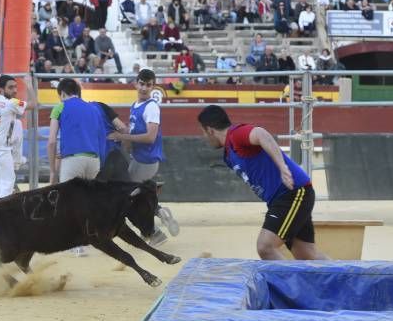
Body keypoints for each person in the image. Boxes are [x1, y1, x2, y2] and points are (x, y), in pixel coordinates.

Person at [197, 105, 329, 260]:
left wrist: (282, 167)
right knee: (306, 253)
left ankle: (291, 285)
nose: (203, 137)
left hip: (292, 193)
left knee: (265, 247)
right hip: (284, 197)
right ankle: (345, 279)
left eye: (203, 132)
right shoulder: (228, 154)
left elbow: (261, 134)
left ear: (210, 130)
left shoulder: (236, 135)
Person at [107, 68, 179, 245]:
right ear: (136, 83)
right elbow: (136, 134)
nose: (144, 88)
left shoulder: (151, 107)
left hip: (145, 160)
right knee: (134, 195)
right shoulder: (135, 106)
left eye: (148, 85)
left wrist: (122, 137)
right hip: (140, 159)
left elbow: (150, 137)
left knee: (128, 195)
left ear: (153, 87)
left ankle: (153, 232)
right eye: (142, 84)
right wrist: (126, 138)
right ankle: (158, 215)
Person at [0, 74, 32, 199]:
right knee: (7, 181)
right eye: (11, 87)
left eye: (15, 87)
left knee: (18, 124)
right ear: (2, 90)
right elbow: (35, 104)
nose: (15, 90)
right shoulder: (12, 103)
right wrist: (30, 84)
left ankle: (16, 159)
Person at [47, 78, 106, 185]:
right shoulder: (94, 109)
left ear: (62, 94)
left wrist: (52, 171)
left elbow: (52, 142)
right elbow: (102, 137)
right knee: (88, 200)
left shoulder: (60, 107)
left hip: (72, 160)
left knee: (68, 200)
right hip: (94, 161)